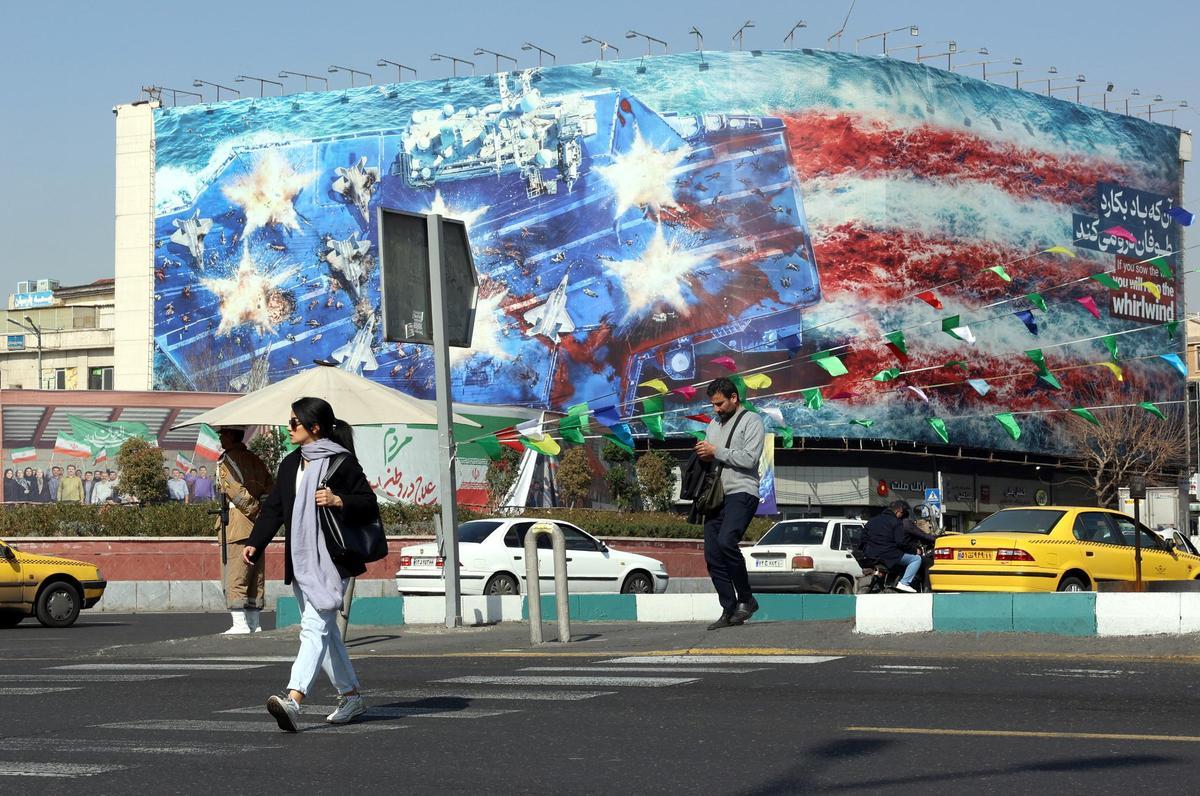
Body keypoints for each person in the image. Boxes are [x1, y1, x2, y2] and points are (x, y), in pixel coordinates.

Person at [244, 397, 378, 731]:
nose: (288, 428)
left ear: (313, 427)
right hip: (302, 560)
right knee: (327, 632)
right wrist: (255, 543)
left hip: (334, 561)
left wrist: (338, 500)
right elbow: (275, 508)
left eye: (293, 423)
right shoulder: (291, 464)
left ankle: (294, 699)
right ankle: (351, 696)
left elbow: (368, 504)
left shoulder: (341, 463)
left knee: (313, 628)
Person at [694, 376, 766, 630]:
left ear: (734, 398)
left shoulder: (752, 421)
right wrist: (703, 454)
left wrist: (716, 451)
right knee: (712, 554)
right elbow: (713, 458)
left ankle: (746, 599)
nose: (716, 409)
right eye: (713, 404)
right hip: (716, 495)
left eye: (720, 403)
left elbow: (749, 459)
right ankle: (729, 608)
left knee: (727, 541)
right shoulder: (713, 424)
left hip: (742, 492)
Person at [216, 426, 273, 635]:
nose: (220, 437)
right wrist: (262, 515)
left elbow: (236, 492)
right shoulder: (256, 460)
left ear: (231, 436)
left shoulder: (226, 462)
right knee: (255, 575)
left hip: (238, 524)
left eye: (222, 434)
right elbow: (270, 487)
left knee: (235, 573)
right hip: (258, 527)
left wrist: (254, 510)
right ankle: (254, 623)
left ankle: (240, 624)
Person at [864, 500, 923, 592]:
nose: (902, 516)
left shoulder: (871, 521)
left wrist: (866, 551)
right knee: (916, 559)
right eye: (902, 513)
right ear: (898, 511)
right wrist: (915, 551)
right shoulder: (896, 522)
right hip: (888, 555)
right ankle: (904, 583)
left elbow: (862, 539)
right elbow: (901, 543)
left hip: (870, 555)